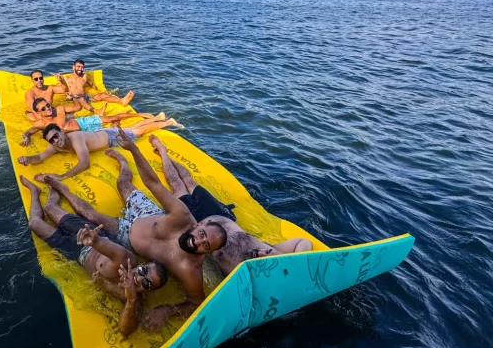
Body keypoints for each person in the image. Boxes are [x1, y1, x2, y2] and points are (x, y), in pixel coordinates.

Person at [34, 127, 227, 326]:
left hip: (126, 238)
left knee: (89, 214)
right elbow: (153, 183)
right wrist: (132, 149)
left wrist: (168, 309)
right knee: (122, 184)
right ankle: (122, 162)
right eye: (202, 234)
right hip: (146, 214)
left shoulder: (189, 269)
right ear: (200, 225)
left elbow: (196, 302)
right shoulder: (182, 215)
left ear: (207, 252)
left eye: (206, 246)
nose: (198, 242)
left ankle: (62, 191)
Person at [20, 175, 167, 336]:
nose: (140, 279)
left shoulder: (132, 299)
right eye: (143, 271)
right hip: (88, 236)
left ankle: (34, 191)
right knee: (49, 207)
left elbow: (126, 330)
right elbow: (110, 249)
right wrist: (93, 240)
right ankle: (54, 186)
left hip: (75, 253)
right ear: (140, 265)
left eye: (147, 283)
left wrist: (131, 301)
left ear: (148, 291)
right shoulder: (126, 260)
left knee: (34, 224)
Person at [148, 134, 313, 276]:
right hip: (219, 215)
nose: (262, 253)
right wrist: (289, 263)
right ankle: (165, 154)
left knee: (177, 186)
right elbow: (304, 242)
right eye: (267, 252)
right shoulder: (272, 250)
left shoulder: (239, 272)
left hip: (194, 221)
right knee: (190, 182)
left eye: (262, 255)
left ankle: (162, 154)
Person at [17, 117, 182, 180]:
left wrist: (63, 176)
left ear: (61, 132)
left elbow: (85, 163)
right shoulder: (56, 145)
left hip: (109, 138)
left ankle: (168, 122)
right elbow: (39, 157)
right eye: (51, 140)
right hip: (100, 134)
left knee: (139, 132)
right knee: (130, 129)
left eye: (56, 136)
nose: (55, 141)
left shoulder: (76, 138)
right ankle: (157, 118)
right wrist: (27, 159)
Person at [19, 97, 160, 146]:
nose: (48, 108)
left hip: (83, 122)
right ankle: (152, 122)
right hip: (84, 133)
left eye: (48, 105)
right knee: (118, 131)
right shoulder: (40, 124)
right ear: (39, 112)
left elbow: (77, 107)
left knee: (113, 118)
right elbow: (28, 132)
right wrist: (26, 138)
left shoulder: (60, 109)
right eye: (44, 108)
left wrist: (73, 97)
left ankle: (140, 114)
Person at [56, 59, 134, 114]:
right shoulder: (66, 79)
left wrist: (98, 90)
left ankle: (121, 101)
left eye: (82, 67)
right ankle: (97, 111)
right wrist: (66, 93)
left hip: (85, 96)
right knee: (81, 99)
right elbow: (60, 89)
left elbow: (91, 85)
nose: (81, 69)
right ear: (73, 67)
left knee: (102, 95)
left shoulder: (84, 77)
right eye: (78, 67)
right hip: (73, 97)